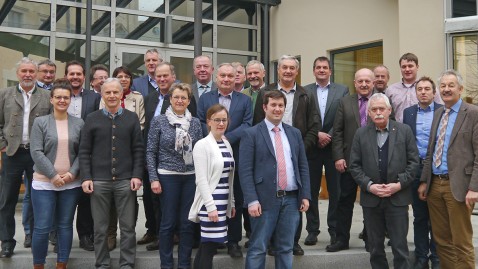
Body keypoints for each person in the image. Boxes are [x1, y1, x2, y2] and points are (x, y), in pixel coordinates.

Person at [253, 55, 319, 255]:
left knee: (294, 197)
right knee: (272, 197)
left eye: (292, 68)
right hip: (270, 152)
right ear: (278, 71)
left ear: (297, 71)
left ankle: (293, 241)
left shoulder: (306, 94)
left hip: (297, 152)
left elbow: (314, 126)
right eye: (284, 68)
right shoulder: (266, 92)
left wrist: (299, 148)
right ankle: (272, 242)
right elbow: (257, 123)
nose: (288, 71)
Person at [240, 90, 311, 269]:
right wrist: (252, 200)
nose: (277, 109)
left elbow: (302, 166)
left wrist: (305, 195)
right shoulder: (252, 134)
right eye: (273, 105)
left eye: (281, 106)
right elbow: (245, 170)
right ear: (265, 107)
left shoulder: (294, 133)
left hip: (291, 199)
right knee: (258, 247)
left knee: (286, 248)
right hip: (264, 200)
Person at [349, 93, 419, 269]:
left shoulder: (404, 131)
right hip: (371, 200)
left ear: (389, 110)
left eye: (382, 109)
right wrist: (370, 186)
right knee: (375, 248)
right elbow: (355, 166)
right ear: (369, 113)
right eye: (374, 109)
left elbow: (413, 163)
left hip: (397, 198)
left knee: (400, 247)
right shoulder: (361, 134)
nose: (378, 112)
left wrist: (399, 184)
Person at [80, 78, 144, 269]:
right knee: (99, 229)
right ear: (102, 94)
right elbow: (84, 151)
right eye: (107, 92)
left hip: (125, 180)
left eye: (116, 92)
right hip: (99, 181)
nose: (112, 96)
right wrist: (86, 177)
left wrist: (137, 175)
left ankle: (127, 264)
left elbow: (138, 150)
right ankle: (102, 264)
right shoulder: (92, 118)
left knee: (128, 227)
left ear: (121, 93)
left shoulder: (132, 118)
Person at [419, 69, 478, 269]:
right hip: (435, 186)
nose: (446, 89)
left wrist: (474, 188)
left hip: (459, 187)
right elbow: (430, 150)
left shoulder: (472, 113)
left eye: (451, 85)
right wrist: (424, 181)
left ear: (460, 89)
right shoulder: (438, 113)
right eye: (443, 86)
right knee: (442, 240)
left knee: (461, 242)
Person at [197, 63, 253, 258]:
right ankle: (214, 239)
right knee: (213, 197)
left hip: (234, 156)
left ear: (236, 77)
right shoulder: (205, 99)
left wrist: (226, 138)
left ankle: (233, 241)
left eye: (231, 76)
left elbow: (247, 124)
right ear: (216, 78)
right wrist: (215, 136)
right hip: (211, 157)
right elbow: (200, 121)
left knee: (234, 200)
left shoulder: (245, 100)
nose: (227, 79)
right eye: (223, 76)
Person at [146, 83, 203, 269]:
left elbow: (199, 152)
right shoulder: (159, 121)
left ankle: (184, 264)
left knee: (187, 223)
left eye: (184, 98)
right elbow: (150, 151)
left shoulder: (194, 123)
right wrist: (153, 178)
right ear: (170, 99)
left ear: (188, 101)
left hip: (190, 177)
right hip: (167, 176)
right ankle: (167, 264)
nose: (180, 100)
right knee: (168, 222)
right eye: (176, 97)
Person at [29, 79, 84, 269]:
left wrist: (71, 174)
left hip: (70, 183)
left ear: (70, 100)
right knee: (42, 227)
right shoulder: (40, 122)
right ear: (51, 99)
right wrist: (53, 176)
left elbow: (82, 153)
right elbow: (36, 151)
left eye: (66, 97)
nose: (62, 100)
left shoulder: (79, 123)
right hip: (44, 182)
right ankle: (39, 265)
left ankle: (62, 264)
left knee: (65, 226)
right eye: (58, 97)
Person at [0, 57, 51, 258]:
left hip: (37, 154)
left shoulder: (47, 96)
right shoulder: (4, 95)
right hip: (12, 153)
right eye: (24, 71)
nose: (28, 74)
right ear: (18, 74)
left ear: (36, 74)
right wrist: (3, 145)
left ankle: (33, 236)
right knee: (7, 200)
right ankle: (6, 241)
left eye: (31, 71)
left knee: (39, 198)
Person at [328, 68, 375, 252]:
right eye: (360, 81)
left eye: (367, 81)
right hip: (348, 161)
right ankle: (341, 240)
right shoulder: (344, 102)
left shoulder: (381, 102)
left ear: (372, 83)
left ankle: (371, 239)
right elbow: (337, 131)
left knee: (370, 203)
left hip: (373, 162)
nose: (364, 84)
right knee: (344, 201)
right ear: (354, 83)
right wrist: (338, 157)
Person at [304, 56, 349, 246]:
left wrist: (328, 135)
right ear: (314, 70)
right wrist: (317, 135)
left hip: (333, 148)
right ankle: (312, 230)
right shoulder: (305, 91)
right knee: (311, 190)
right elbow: (302, 119)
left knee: (335, 190)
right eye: (318, 67)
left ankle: (334, 229)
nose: (321, 70)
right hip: (312, 148)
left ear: (330, 71)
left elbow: (344, 116)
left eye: (325, 67)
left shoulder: (342, 90)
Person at [100, 66, 145, 251]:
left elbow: (141, 122)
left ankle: (129, 232)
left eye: (127, 76)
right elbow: (102, 120)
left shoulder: (138, 97)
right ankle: (111, 234)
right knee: (110, 199)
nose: (124, 79)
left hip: (128, 147)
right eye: (120, 76)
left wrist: (126, 133)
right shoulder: (106, 96)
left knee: (129, 198)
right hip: (108, 151)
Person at [189, 104, 236, 269]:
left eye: (224, 120)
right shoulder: (202, 145)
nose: (221, 123)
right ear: (209, 122)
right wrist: (211, 207)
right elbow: (201, 180)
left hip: (223, 202)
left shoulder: (226, 143)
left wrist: (232, 203)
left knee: (206, 245)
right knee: (209, 247)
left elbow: (229, 177)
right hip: (211, 202)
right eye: (217, 120)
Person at [403, 77, 441, 269]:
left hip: (436, 169)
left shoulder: (443, 112)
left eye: (427, 89)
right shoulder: (408, 113)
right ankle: (421, 258)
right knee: (419, 216)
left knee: (436, 216)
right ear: (416, 92)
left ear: (434, 93)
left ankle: (436, 258)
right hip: (416, 169)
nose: (424, 92)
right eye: (420, 89)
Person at [64, 60, 101, 251]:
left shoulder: (94, 98)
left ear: (84, 77)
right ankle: (60, 235)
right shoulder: (60, 96)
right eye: (72, 74)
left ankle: (85, 236)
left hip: (89, 152)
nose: (75, 77)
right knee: (62, 195)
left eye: (79, 74)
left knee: (86, 196)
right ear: (66, 76)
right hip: (63, 151)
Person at [386, 53, 442, 122]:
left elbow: (440, 110)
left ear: (417, 67)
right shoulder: (391, 90)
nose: (407, 69)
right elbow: (387, 114)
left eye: (410, 66)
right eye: (403, 67)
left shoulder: (429, 88)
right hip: (399, 131)